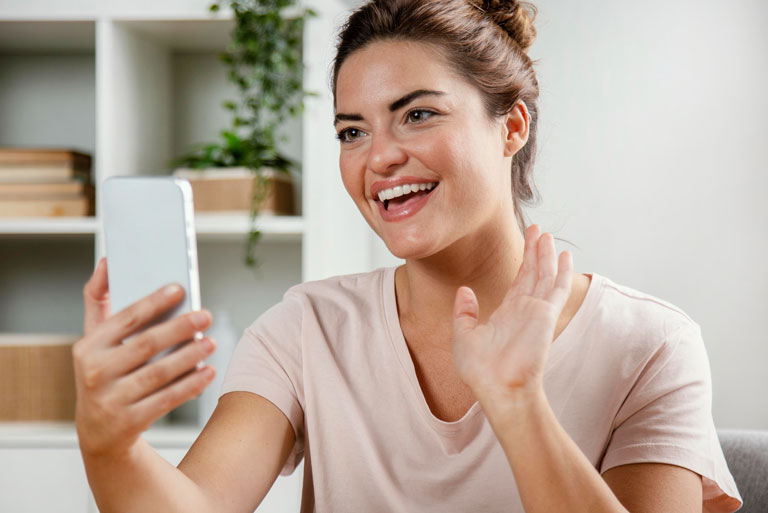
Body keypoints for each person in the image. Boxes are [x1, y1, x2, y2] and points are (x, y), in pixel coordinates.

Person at [74, 1, 743, 512]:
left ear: (511, 125)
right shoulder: (308, 328)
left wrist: (517, 406)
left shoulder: (649, 343)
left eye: (417, 114)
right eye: (352, 130)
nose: (379, 157)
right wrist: (110, 443)